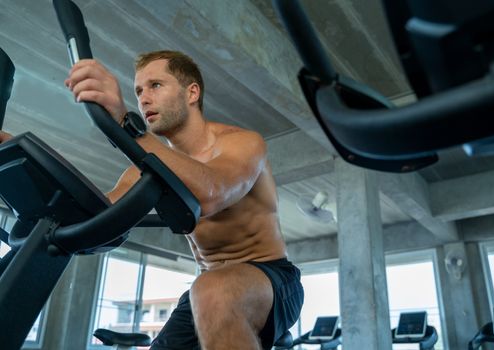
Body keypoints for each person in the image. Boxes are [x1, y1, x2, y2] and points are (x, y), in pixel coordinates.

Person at [22, 50, 301, 350]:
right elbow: (94, 212)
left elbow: (209, 194)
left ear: (192, 92)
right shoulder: (146, 169)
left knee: (212, 291)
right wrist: (29, 160)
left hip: (272, 279)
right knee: (206, 292)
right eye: (138, 91)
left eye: (155, 85)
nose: (143, 99)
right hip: (207, 288)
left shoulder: (242, 143)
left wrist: (126, 126)